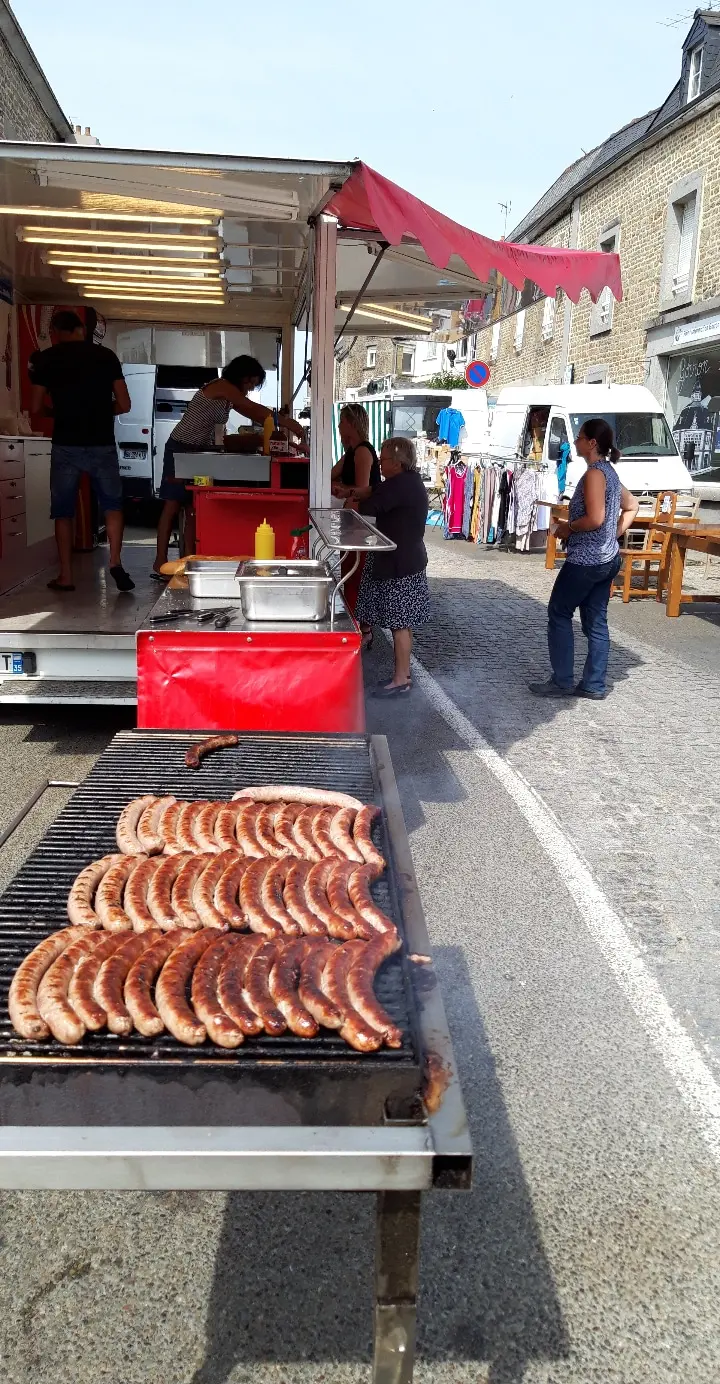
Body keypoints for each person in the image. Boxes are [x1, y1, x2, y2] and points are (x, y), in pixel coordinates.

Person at [153, 355, 305, 575]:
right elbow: (253, 409)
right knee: (172, 504)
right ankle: (160, 560)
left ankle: (188, 559)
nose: (250, 387)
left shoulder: (230, 397)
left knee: (192, 506)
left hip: (198, 452)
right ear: (240, 375)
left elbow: (252, 412)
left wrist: (273, 423)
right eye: (250, 382)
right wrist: (288, 423)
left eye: (254, 384)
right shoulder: (222, 387)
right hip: (180, 447)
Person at [530, 417, 639, 701]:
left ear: (591, 443)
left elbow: (595, 518)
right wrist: (612, 535)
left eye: (579, 437)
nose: (575, 441)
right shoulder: (609, 472)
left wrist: (568, 527)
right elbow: (632, 506)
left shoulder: (594, 475)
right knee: (596, 620)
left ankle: (562, 681)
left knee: (559, 611)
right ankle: (593, 684)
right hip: (607, 558)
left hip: (587, 560)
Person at [28, 310, 134, 592]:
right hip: (101, 443)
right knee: (112, 505)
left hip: (66, 444)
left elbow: (36, 407)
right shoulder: (105, 356)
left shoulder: (46, 359)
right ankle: (115, 562)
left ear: (55, 332)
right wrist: (101, 412)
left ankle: (66, 575)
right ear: (81, 330)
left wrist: (59, 412)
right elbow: (124, 404)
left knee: (63, 511)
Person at [352, 436, 430, 697]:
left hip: (401, 563)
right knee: (402, 624)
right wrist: (360, 492)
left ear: (397, 463)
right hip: (407, 559)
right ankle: (402, 676)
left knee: (399, 624)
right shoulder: (408, 481)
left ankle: (401, 679)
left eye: (383, 460)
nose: (379, 464)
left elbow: (368, 508)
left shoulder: (398, 485)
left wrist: (352, 501)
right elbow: (377, 491)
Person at [330, 404, 382, 617]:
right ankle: (356, 619)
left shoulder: (362, 451)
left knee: (355, 573)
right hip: (351, 519)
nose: (339, 426)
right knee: (349, 571)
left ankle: (359, 622)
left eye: (342, 421)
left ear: (352, 424)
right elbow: (328, 476)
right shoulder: (351, 452)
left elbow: (360, 490)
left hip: (361, 521)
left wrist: (341, 488)